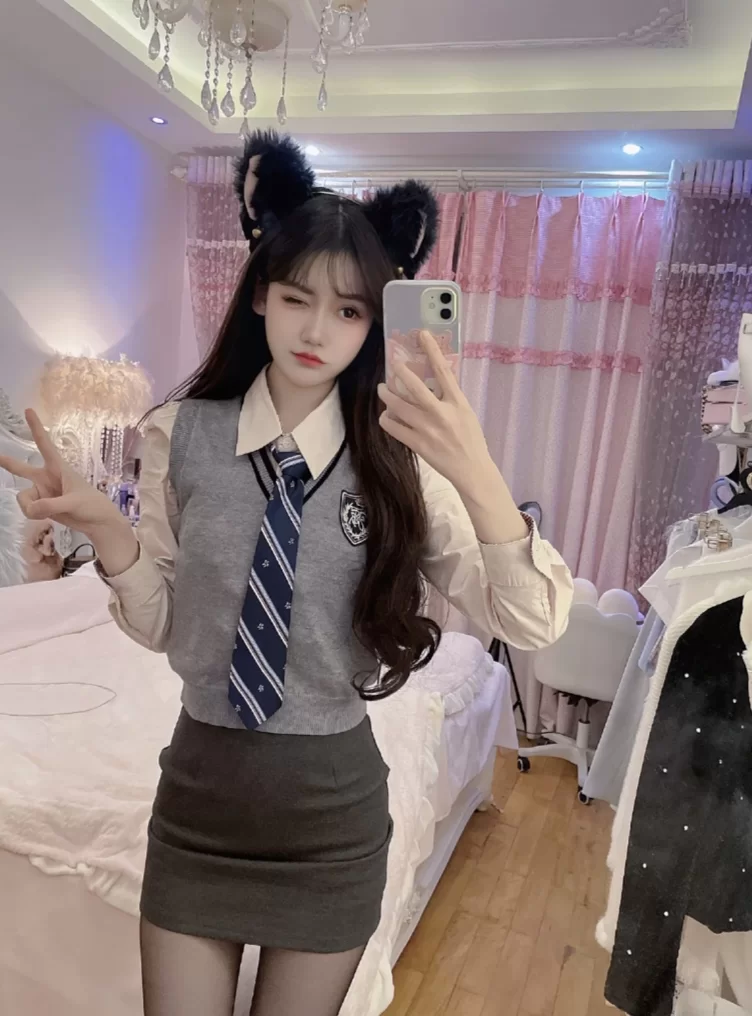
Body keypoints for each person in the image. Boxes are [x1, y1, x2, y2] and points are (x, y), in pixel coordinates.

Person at [0, 132, 573, 1016]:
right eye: (298, 297)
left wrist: (477, 469)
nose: (316, 330)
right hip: (198, 809)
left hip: (331, 827)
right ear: (260, 292)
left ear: (375, 322)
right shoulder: (181, 432)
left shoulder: (400, 460)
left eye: (349, 311)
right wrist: (106, 529)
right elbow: (164, 626)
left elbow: (533, 621)